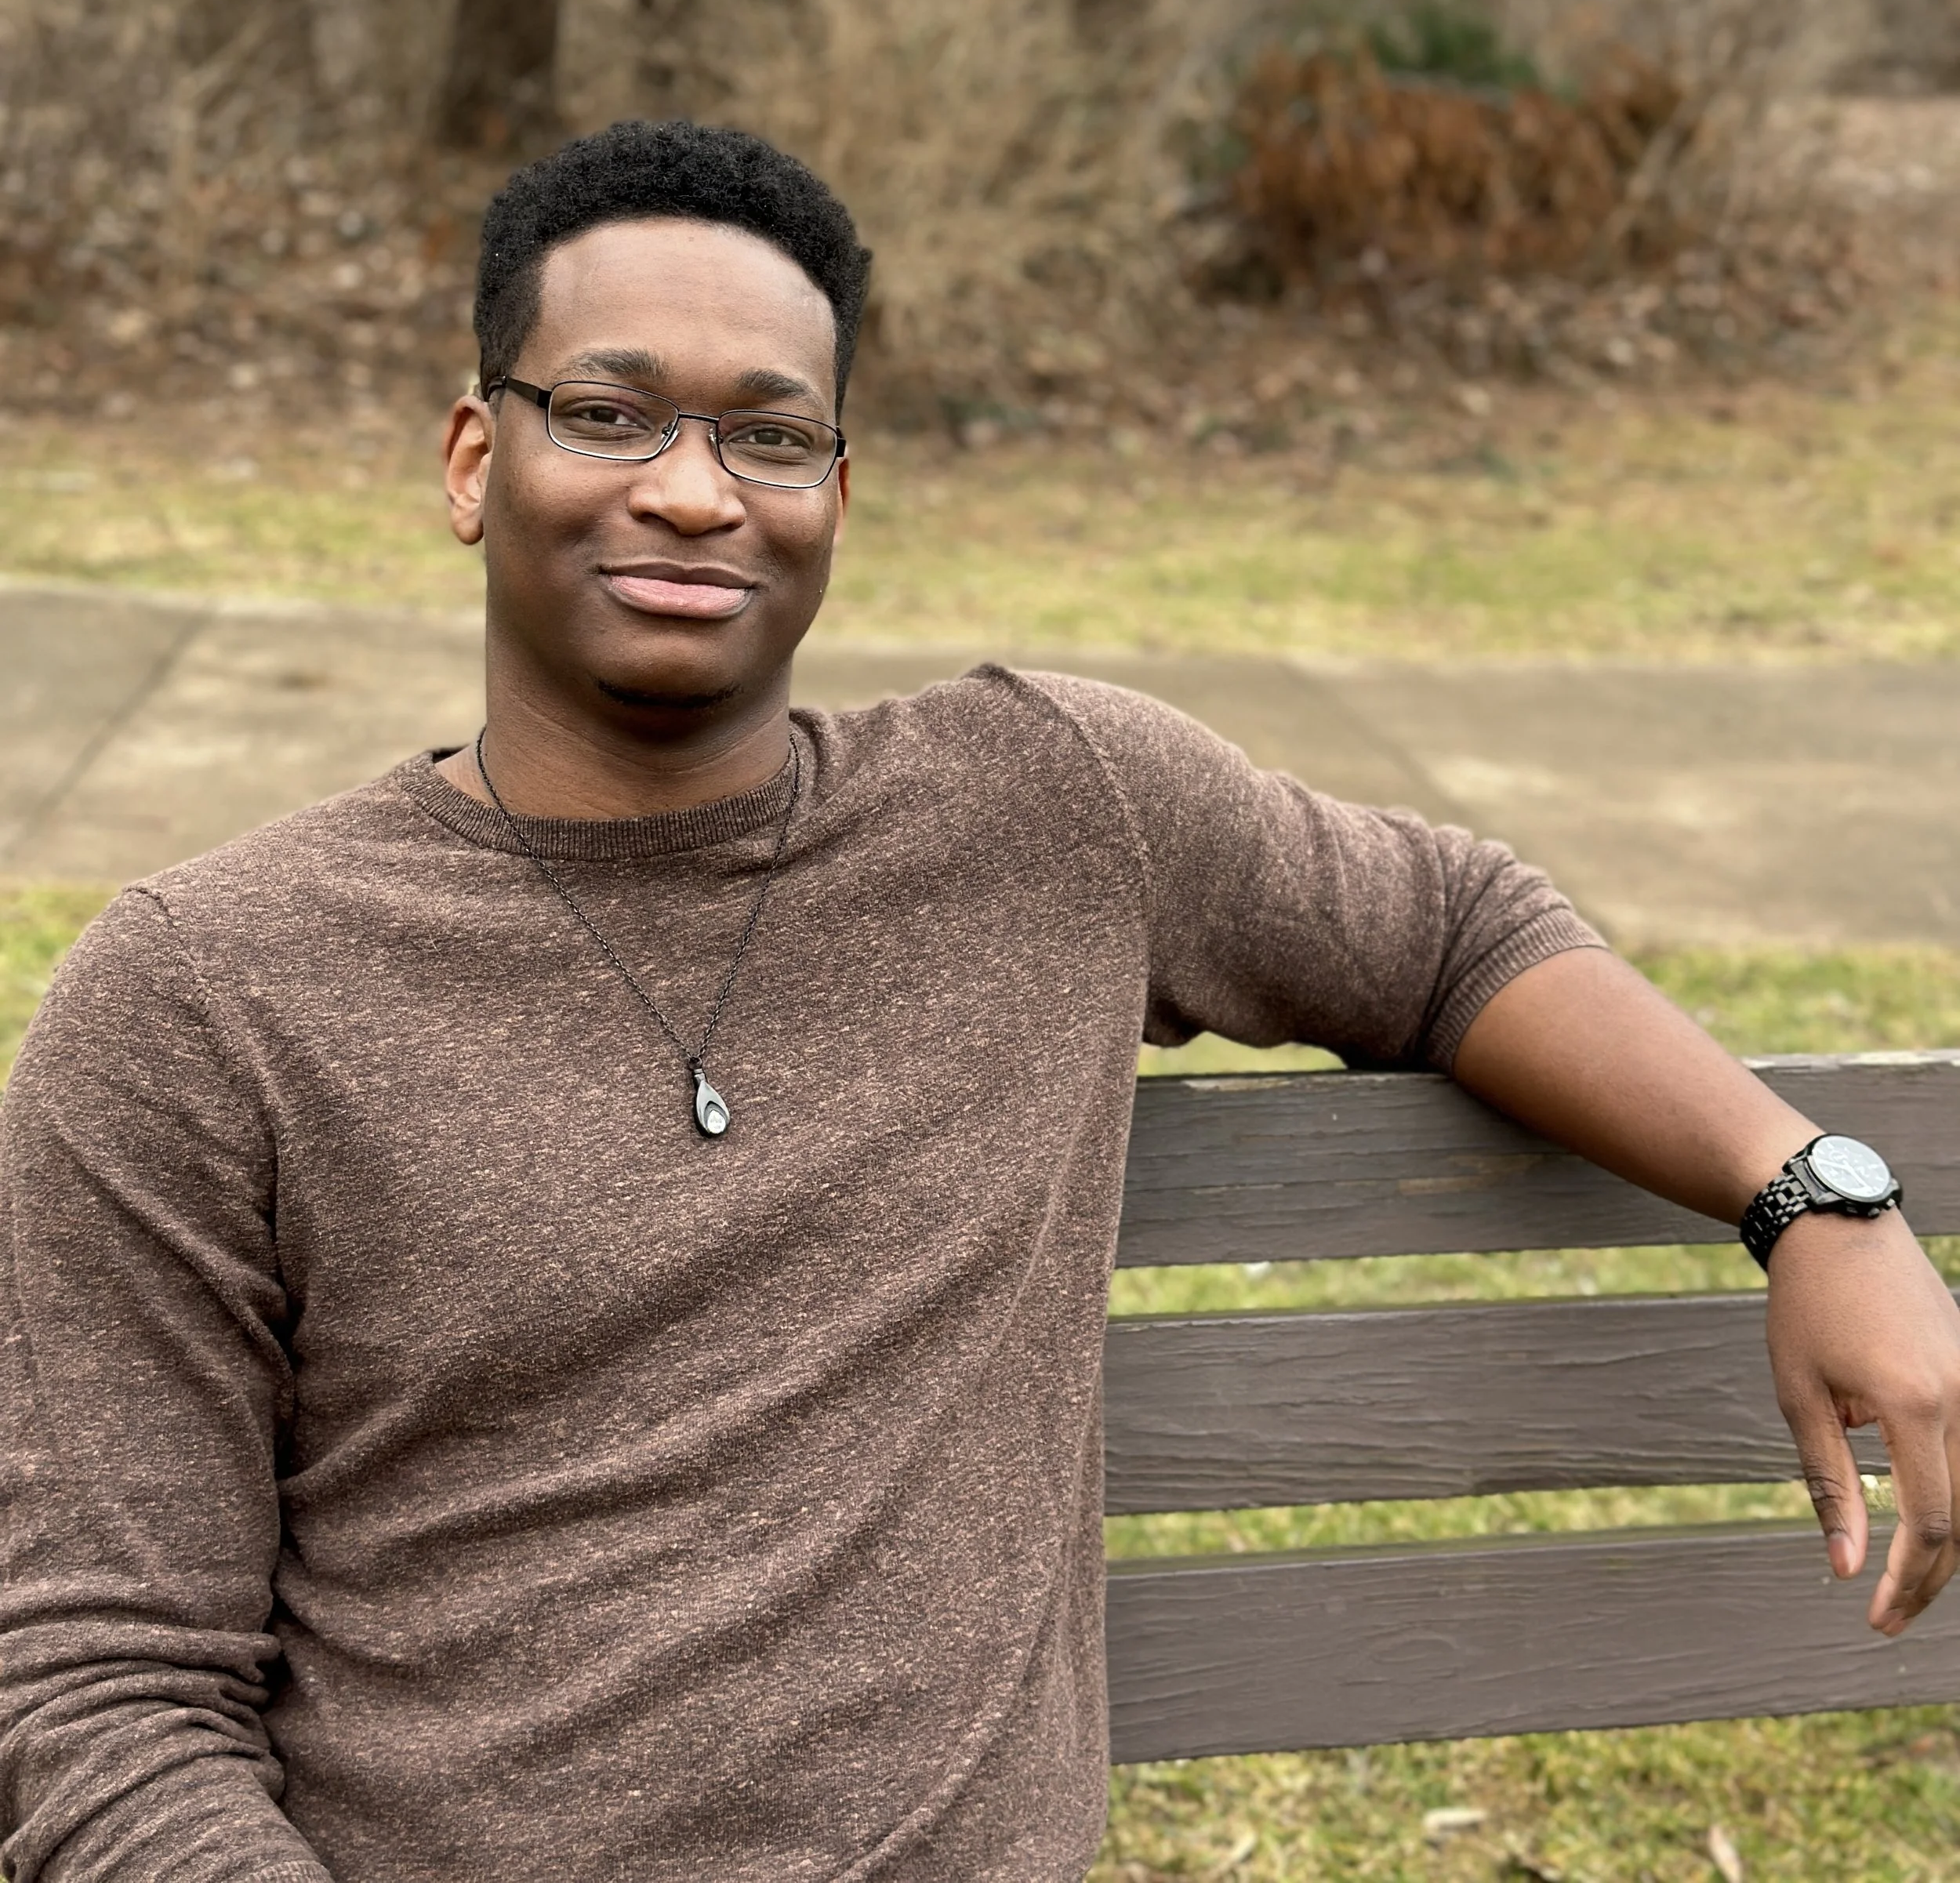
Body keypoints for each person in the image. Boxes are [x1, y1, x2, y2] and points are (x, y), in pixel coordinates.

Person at [3, 118, 1957, 1883]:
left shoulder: (1049, 811)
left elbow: (1447, 929)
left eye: (768, 434)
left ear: (834, 494)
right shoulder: (200, 995)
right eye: (609, 413)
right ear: (469, 456)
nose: (693, 491)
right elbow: (96, 1693)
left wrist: (1811, 1195)